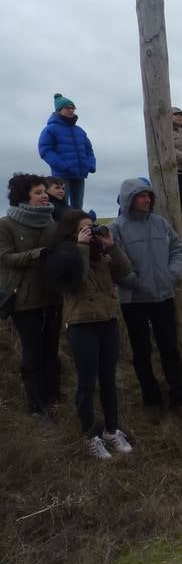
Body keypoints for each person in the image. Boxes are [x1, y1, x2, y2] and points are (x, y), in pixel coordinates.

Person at [43, 210, 135, 459]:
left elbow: (126, 273)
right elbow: (75, 281)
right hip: (82, 324)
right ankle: (89, 435)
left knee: (108, 379)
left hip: (108, 320)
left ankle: (111, 430)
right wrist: (81, 246)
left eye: (92, 227)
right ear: (71, 232)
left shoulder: (102, 255)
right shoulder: (62, 255)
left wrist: (111, 246)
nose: (90, 232)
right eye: (84, 228)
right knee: (87, 381)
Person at [110, 178, 182, 421]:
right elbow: (113, 262)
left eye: (148, 195)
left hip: (163, 295)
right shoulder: (117, 228)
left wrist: (171, 274)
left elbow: (177, 250)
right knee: (141, 350)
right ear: (128, 199)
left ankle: (180, 398)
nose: (146, 199)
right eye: (140, 196)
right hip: (133, 299)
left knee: (169, 347)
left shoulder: (161, 223)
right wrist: (132, 280)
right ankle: (152, 399)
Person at [0, 173, 63, 416]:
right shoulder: (6, 225)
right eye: (38, 192)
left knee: (51, 347)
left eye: (43, 192)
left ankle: (53, 394)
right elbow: (5, 257)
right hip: (24, 299)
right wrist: (38, 253)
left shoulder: (51, 222)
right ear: (22, 196)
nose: (44, 195)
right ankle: (36, 405)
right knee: (33, 350)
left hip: (52, 295)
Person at [37, 94, 95, 208]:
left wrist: (90, 165)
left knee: (78, 205)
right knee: (61, 205)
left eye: (72, 108)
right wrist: (63, 166)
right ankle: (62, 225)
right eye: (67, 107)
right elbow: (45, 150)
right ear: (59, 110)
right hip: (62, 175)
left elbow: (89, 150)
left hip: (80, 174)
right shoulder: (50, 129)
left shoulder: (80, 131)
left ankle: (79, 225)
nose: (71, 110)